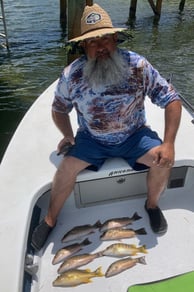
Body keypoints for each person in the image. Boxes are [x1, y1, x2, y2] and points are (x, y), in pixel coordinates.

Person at [31, 3, 182, 251]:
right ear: (83, 47)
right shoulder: (72, 75)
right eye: (92, 42)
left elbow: (171, 100)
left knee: (163, 160)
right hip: (91, 139)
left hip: (135, 135)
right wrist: (68, 136)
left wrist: (169, 144)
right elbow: (59, 108)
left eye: (106, 39)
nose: (101, 47)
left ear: (115, 39)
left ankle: (152, 206)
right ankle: (50, 220)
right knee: (66, 169)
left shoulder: (139, 66)